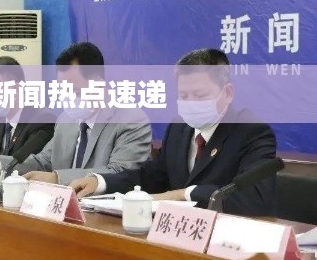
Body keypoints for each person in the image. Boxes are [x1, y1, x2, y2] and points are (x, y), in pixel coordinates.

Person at [70, 48, 277, 216]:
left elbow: (255, 197)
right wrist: (100, 182)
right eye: (183, 96)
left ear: (228, 93)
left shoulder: (252, 132)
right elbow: (150, 177)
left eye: (200, 95)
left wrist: (182, 194)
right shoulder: (179, 128)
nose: (190, 103)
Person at [0, 42, 152, 186]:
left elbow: (120, 172)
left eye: (74, 90)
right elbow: (44, 160)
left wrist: (58, 178)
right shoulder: (66, 120)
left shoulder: (131, 120)